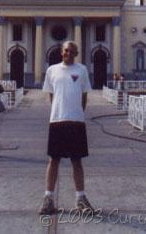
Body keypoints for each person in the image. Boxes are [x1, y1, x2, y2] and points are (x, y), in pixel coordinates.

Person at [39, 41, 93, 215]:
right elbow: (52, 96)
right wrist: (60, 111)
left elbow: (84, 97)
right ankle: (48, 199)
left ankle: (81, 199)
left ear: (76, 53)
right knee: (53, 160)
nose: (68, 53)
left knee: (77, 161)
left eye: (72, 51)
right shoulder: (52, 70)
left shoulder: (82, 70)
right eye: (66, 50)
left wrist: (76, 112)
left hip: (76, 121)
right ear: (61, 52)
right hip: (57, 121)